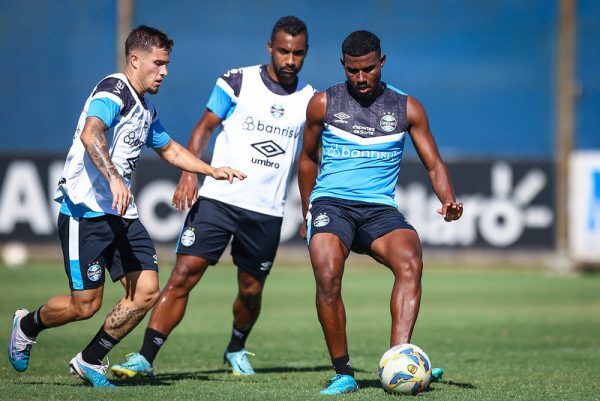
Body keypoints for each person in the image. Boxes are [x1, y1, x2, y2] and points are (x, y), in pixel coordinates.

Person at [7, 25, 245, 388]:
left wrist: (211, 169)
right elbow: (91, 132)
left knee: (147, 290)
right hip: (85, 212)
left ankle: (90, 359)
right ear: (136, 60)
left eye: (167, 64)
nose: (165, 72)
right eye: (159, 63)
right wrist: (115, 177)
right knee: (84, 305)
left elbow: (168, 149)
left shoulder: (146, 108)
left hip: (122, 215)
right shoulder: (113, 89)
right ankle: (27, 325)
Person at [110, 16, 315, 378]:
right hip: (218, 199)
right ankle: (145, 357)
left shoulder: (310, 100)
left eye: (297, 53)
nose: (289, 59)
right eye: (283, 51)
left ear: (305, 54)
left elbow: (308, 158)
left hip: (265, 211)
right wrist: (190, 172)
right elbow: (205, 127)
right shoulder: (237, 80)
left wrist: (310, 206)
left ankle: (236, 348)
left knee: (251, 291)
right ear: (270, 48)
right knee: (183, 275)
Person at [297, 30, 463, 395]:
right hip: (332, 204)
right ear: (343, 65)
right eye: (353, 70)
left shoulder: (408, 107)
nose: (361, 78)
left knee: (411, 261)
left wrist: (448, 198)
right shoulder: (322, 104)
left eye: (368, 69)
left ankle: (399, 361)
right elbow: (308, 159)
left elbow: (433, 163)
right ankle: (343, 372)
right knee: (326, 274)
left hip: (378, 210)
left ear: (382, 62)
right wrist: (308, 210)